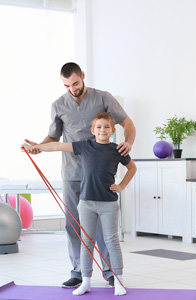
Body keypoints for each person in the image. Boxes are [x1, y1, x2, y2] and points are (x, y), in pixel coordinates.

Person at [21, 62, 136, 288]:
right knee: (73, 223)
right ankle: (78, 270)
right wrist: (37, 147)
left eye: (75, 83)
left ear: (82, 76)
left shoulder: (103, 97)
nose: (72, 88)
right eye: (67, 86)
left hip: (101, 174)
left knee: (103, 226)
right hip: (72, 172)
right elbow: (53, 140)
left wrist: (129, 142)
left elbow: (127, 122)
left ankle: (109, 270)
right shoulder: (58, 105)